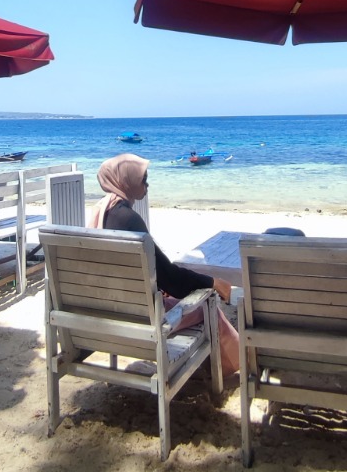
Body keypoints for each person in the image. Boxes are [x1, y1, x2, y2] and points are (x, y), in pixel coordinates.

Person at [89, 153, 239, 374]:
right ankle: (229, 367)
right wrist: (213, 282)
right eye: (143, 179)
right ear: (126, 181)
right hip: (142, 321)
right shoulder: (128, 219)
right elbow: (172, 279)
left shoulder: (102, 213)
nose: (147, 184)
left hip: (108, 313)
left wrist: (158, 285)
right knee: (209, 309)